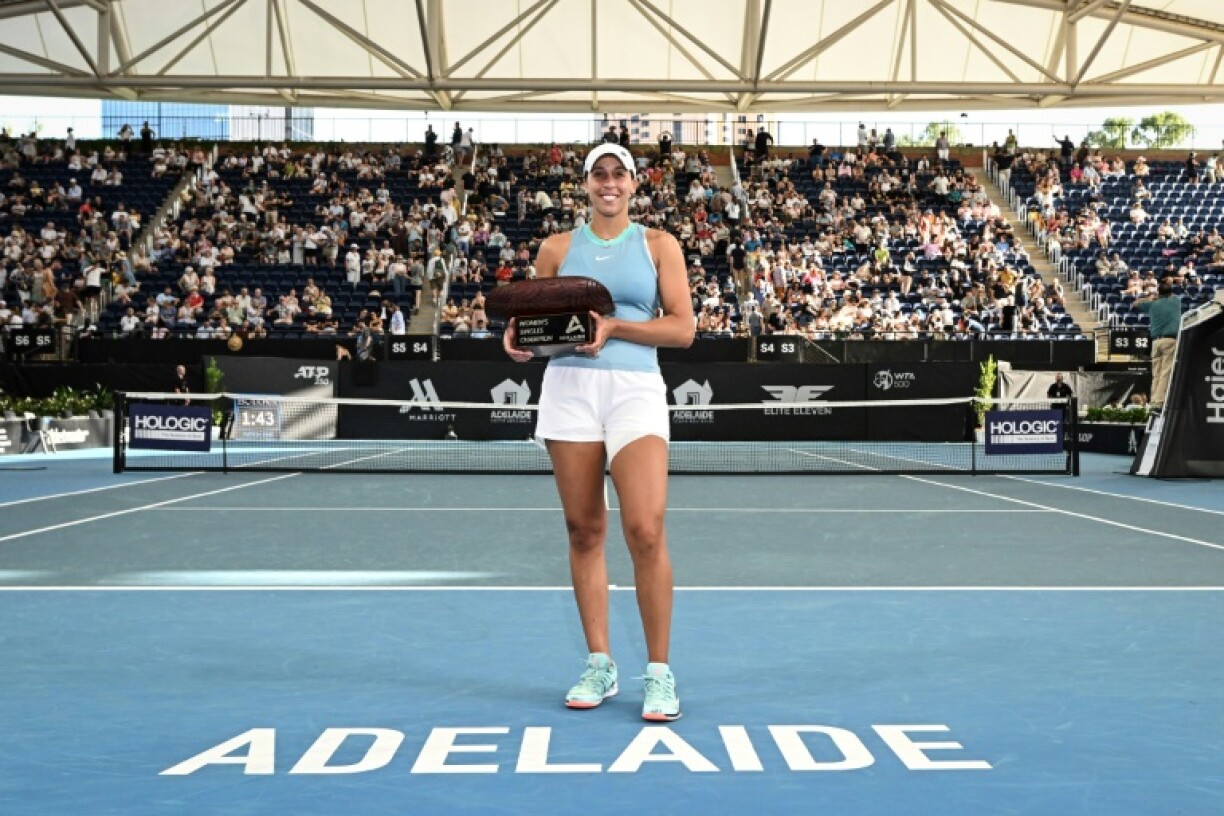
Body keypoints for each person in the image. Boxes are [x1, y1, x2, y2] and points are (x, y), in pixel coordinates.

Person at [502, 142, 694, 721]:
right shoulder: (556, 248)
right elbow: (538, 327)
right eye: (598, 175)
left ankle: (659, 673)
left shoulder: (660, 245)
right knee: (585, 530)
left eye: (619, 174)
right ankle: (600, 662)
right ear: (586, 185)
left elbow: (682, 329)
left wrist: (614, 328)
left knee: (645, 526)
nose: (609, 183)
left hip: (635, 391)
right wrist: (520, 345)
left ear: (634, 185)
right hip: (569, 391)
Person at [1135, 283, 1182, 411]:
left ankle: (1154, 399)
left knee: (1156, 373)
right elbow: (1173, 296)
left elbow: (1136, 303)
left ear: (1159, 293)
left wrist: (1152, 298)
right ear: (1171, 293)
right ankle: (1159, 402)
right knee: (1165, 372)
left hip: (1155, 342)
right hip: (1170, 341)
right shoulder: (1176, 302)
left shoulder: (1152, 304)